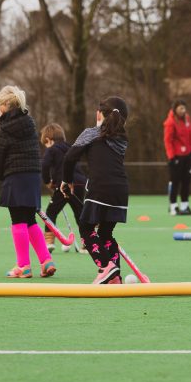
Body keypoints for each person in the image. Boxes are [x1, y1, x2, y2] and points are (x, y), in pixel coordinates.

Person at [62, 96, 129, 284]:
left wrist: (66, 181)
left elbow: (69, 158)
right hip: (121, 190)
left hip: (100, 188)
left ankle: (106, 267)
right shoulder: (123, 139)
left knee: (85, 228)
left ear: (100, 114)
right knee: (106, 233)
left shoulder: (91, 133)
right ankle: (114, 278)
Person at [0, 86, 56, 279]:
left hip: (15, 177)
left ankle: (23, 266)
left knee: (17, 221)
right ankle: (46, 261)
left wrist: (4, 177)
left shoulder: (3, 130)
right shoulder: (29, 124)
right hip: (33, 176)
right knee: (30, 220)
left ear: (3, 106)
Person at [40, 123, 87, 253]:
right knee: (80, 214)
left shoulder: (52, 149)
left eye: (46, 144)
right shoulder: (71, 147)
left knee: (51, 212)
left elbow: (45, 165)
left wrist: (47, 181)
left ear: (49, 140)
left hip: (64, 185)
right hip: (79, 183)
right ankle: (87, 243)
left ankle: (49, 242)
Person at [163, 100, 191, 215]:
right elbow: (168, 141)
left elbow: (190, 135)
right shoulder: (170, 122)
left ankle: (185, 206)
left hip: (187, 156)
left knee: (186, 182)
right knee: (175, 182)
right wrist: (171, 157)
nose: (183, 111)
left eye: (184, 108)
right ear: (175, 109)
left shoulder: (187, 119)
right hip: (177, 156)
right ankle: (173, 207)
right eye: (180, 108)